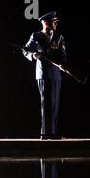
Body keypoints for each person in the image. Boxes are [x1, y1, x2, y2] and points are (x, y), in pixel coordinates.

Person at [23, 11, 67, 140]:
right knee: (45, 103)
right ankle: (44, 132)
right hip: (42, 73)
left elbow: (63, 54)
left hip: (56, 73)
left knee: (55, 103)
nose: (56, 24)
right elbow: (25, 50)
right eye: (54, 22)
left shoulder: (59, 37)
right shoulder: (36, 36)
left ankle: (53, 132)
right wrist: (33, 55)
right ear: (47, 23)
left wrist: (63, 64)